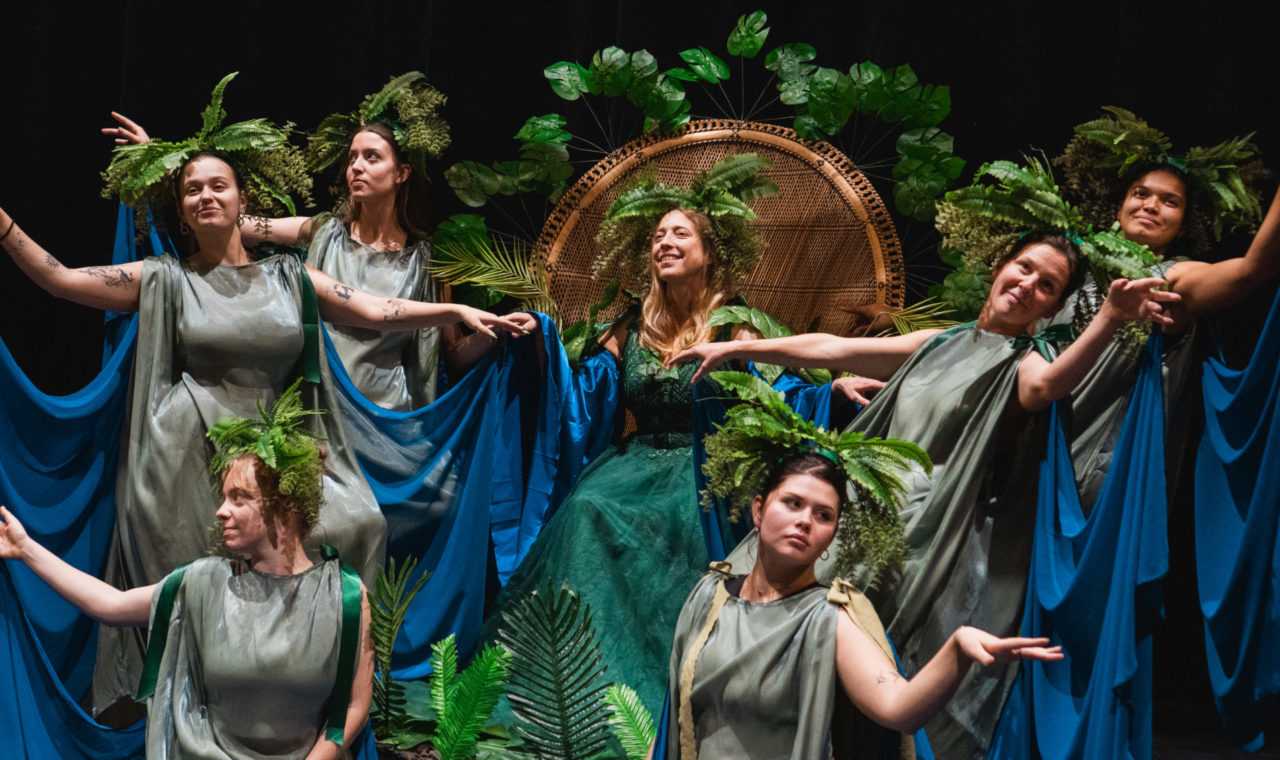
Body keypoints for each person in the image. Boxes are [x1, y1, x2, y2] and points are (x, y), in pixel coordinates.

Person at [1, 112, 527, 711]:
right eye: (193, 190)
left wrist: (451, 314)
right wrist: (5, 225)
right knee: (203, 578)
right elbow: (59, 278)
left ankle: (319, 693)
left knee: (359, 523)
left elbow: (376, 310)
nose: (206, 197)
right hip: (186, 450)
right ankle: (200, 707)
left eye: (218, 186)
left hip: (274, 445)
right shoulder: (164, 278)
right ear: (181, 208)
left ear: (241, 200)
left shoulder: (290, 277)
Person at [674, 228, 1176, 757]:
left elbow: (1047, 388)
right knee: (771, 619)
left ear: (1051, 306)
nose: (1028, 285)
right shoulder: (944, 340)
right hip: (855, 514)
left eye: (1047, 285)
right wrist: (738, 346)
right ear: (1000, 264)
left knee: (851, 656)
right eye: (1024, 267)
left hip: (919, 539)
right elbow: (838, 348)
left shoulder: (1024, 360)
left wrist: (1110, 318)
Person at [486, 154, 790, 718]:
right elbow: (581, 398)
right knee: (587, 508)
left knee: (691, 529)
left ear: (710, 252)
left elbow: (781, 395)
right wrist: (540, 344)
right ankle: (569, 694)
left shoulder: (736, 323)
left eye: (680, 233)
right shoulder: (629, 324)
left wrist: (835, 392)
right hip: (630, 465)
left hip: (705, 471)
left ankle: (663, 701)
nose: (665, 242)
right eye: (657, 235)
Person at [0, 391, 374, 760]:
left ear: (285, 506)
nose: (220, 511)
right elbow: (109, 604)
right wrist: (25, 549)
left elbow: (355, 706)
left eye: (239, 497)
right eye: (223, 497)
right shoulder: (203, 583)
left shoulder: (344, 596)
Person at [102, 73, 496, 410]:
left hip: (392, 419)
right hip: (321, 410)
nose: (356, 166)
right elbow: (229, 220)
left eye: (372, 157)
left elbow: (453, 356)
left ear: (402, 173)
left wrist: (495, 333)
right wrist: (165, 167)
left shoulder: (425, 261)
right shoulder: (320, 231)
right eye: (352, 157)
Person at [659, 441, 1062, 759]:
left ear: (832, 536)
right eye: (793, 503)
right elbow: (670, 722)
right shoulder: (709, 596)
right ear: (759, 510)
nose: (805, 521)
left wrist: (957, 650)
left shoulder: (828, 618)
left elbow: (899, 707)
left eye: (823, 515)